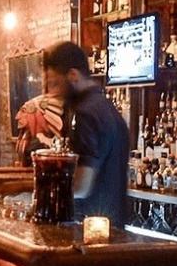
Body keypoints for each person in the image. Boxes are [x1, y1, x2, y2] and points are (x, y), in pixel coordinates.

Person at [43, 40, 130, 227]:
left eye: (55, 83)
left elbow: (81, 186)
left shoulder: (85, 113)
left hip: (87, 233)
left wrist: (36, 190)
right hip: (114, 228)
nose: (53, 92)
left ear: (73, 75)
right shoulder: (107, 109)